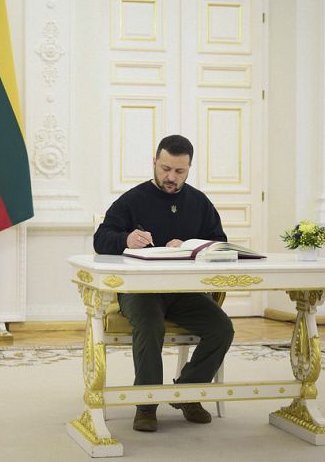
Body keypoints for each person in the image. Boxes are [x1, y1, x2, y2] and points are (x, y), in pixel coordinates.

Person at [93, 134, 234, 432]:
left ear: (189, 169)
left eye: (179, 172)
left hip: (184, 293)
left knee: (222, 328)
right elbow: (100, 239)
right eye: (165, 169)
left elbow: (219, 243)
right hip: (139, 292)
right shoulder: (132, 199)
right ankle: (146, 404)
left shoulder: (199, 202)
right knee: (150, 325)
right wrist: (126, 239)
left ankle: (187, 393)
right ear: (154, 162)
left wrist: (190, 245)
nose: (171, 177)